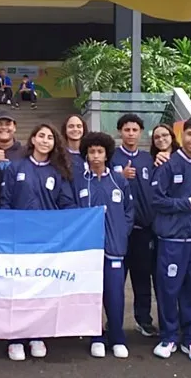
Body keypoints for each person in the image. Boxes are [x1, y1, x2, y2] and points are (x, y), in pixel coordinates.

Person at [0, 123, 77, 360]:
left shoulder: (58, 172)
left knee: (40, 288)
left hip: (46, 241)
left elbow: (67, 205)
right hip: (18, 238)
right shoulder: (15, 168)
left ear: (55, 144)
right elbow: (4, 202)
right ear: (32, 139)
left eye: (50, 138)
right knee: (18, 288)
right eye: (41, 136)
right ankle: (15, 339)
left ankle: (37, 335)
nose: (45, 140)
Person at [151, 117, 191, 363]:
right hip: (172, 239)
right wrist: (188, 203)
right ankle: (169, 337)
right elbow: (156, 200)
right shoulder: (167, 164)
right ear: (181, 135)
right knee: (168, 290)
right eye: (190, 134)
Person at [77, 132, 134, 359]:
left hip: (114, 248)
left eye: (100, 151)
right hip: (89, 250)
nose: (96, 156)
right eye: (92, 152)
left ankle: (117, 337)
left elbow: (130, 211)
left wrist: (121, 232)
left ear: (107, 154)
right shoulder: (80, 181)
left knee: (115, 295)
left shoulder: (119, 180)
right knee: (93, 295)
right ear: (86, 154)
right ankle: (96, 337)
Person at [110, 114, 157, 338]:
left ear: (140, 133)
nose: (130, 133)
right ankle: (113, 321)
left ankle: (143, 320)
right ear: (120, 132)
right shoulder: (112, 157)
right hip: (118, 230)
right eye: (126, 129)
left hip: (143, 230)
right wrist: (120, 174)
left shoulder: (149, 159)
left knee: (142, 277)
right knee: (116, 280)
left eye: (134, 129)